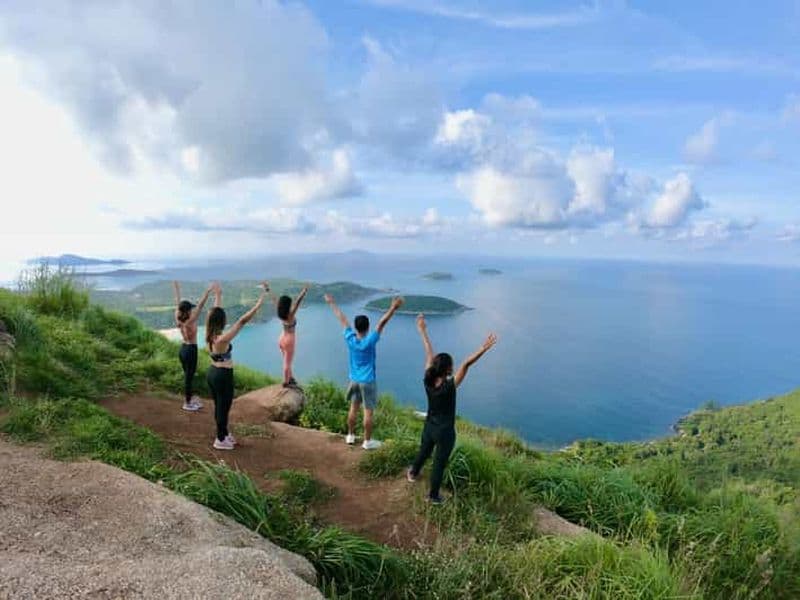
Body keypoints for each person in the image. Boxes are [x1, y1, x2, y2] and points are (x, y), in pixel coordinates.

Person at [407, 313, 497, 504]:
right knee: (439, 463)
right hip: (445, 431)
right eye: (452, 366)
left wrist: (422, 330)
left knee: (424, 451)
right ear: (448, 369)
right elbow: (466, 364)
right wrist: (483, 348)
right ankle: (433, 496)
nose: (454, 367)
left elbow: (429, 354)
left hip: (429, 426)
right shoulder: (449, 386)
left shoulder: (428, 380)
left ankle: (413, 473)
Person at [324, 294, 404, 450]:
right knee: (368, 412)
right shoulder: (370, 340)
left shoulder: (351, 339)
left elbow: (342, 319)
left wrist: (331, 302)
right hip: (367, 381)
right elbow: (382, 322)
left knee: (353, 408)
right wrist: (393, 307)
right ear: (367, 327)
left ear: (356, 327)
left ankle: (350, 436)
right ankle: (367, 442)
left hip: (354, 380)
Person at [205, 281, 268, 450]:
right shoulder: (221, 339)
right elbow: (242, 321)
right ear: (221, 321)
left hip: (213, 373)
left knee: (220, 406)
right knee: (223, 408)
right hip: (222, 376)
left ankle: (224, 434)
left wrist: (218, 295)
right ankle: (220, 439)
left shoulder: (210, 334)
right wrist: (260, 302)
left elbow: (215, 313)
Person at [172, 281, 214, 412]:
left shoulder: (179, 318)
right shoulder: (190, 321)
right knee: (189, 378)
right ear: (188, 311)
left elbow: (177, 304)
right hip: (191, 350)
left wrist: (177, 289)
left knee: (188, 376)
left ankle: (189, 398)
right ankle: (187, 403)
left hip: (183, 349)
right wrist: (207, 292)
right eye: (190, 308)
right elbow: (201, 306)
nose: (192, 310)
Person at [273, 285, 308, 388]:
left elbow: (274, 299)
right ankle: (286, 382)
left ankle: (290, 377)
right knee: (287, 363)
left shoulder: (280, 312)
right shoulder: (290, 315)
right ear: (288, 305)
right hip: (289, 340)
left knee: (286, 360)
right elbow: (298, 302)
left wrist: (267, 289)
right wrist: (304, 291)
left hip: (281, 338)